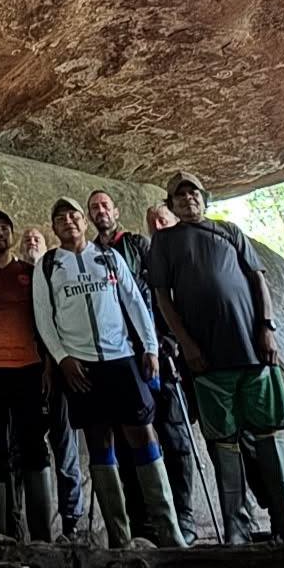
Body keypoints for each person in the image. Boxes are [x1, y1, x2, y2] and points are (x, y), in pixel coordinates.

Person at [150, 170, 284, 548]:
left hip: (252, 350)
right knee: (223, 441)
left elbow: (258, 280)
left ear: (204, 198)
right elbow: (162, 297)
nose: (188, 200)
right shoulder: (165, 241)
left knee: (268, 434)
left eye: (193, 193)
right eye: (179, 196)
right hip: (207, 360)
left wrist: (267, 327)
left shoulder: (229, 231)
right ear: (171, 205)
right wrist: (187, 345)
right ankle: (237, 530)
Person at [31, 196, 186, 550]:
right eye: (60, 218)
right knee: (99, 442)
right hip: (81, 365)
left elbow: (134, 301)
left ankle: (169, 532)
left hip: (121, 358)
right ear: (53, 228)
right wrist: (62, 358)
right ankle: (120, 538)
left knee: (143, 435)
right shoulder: (48, 266)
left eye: (73, 215)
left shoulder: (109, 256)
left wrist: (150, 347)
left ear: (84, 222)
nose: (68, 221)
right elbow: (44, 317)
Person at [89, 189, 198, 545]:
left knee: (172, 432)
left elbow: (158, 292)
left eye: (105, 205)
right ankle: (142, 522)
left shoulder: (138, 245)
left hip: (153, 351)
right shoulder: (88, 255)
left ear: (116, 211)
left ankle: (181, 517)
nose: (100, 211)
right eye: (94, 208)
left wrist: (165, 338)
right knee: (127, 439)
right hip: (117, 357)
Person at [0, 210, 54, 540]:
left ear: (12, 234)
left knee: (34, 448)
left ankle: (42, 537)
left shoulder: (29, 273)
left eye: (4, 228)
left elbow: (44, 320)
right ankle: (1, 535)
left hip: (28, 370)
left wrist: (48, 365)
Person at [21, 224, 86, 539]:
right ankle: (35, 530)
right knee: (27, 452)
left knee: (66, 449)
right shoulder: (19, 277)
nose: (32, 242)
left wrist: (51, 364)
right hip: (25, 375)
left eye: (37, 238)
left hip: (59, 373)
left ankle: (71, 523)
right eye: (27, 239)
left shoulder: (55, 274)